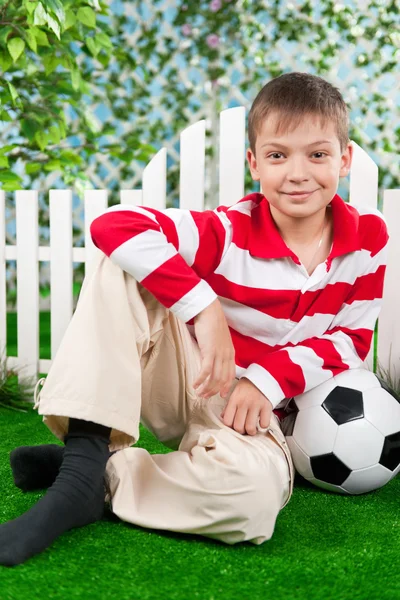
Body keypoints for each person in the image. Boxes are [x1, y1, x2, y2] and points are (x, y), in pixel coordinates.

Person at [1, 71, 389, 566]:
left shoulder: (368, 241)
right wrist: (204, 310)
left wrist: (268, 382)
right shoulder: (228, 230)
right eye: (277, 155)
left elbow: (351, 340)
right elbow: (113, 225)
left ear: (345, 158)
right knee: (119, 261)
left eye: (317, 154)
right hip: (195, 377)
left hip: (257, 422)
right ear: (254, 163)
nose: (297, 173)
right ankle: (81, 466)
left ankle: (102, 476)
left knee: (249, 505)